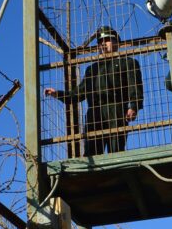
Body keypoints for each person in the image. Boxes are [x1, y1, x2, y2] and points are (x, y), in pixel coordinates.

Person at [44, 26, 143, 156]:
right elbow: (78, 94)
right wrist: (57, 94)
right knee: (92, 153)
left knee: (116, 152)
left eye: (107, 40)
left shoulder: (128, 63)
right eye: (100, 41)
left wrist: (134, 106)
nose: (103, 43)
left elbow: (135, 87)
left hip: (117, 110)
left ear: (116, 43)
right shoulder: (92, 69)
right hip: (95, 114)